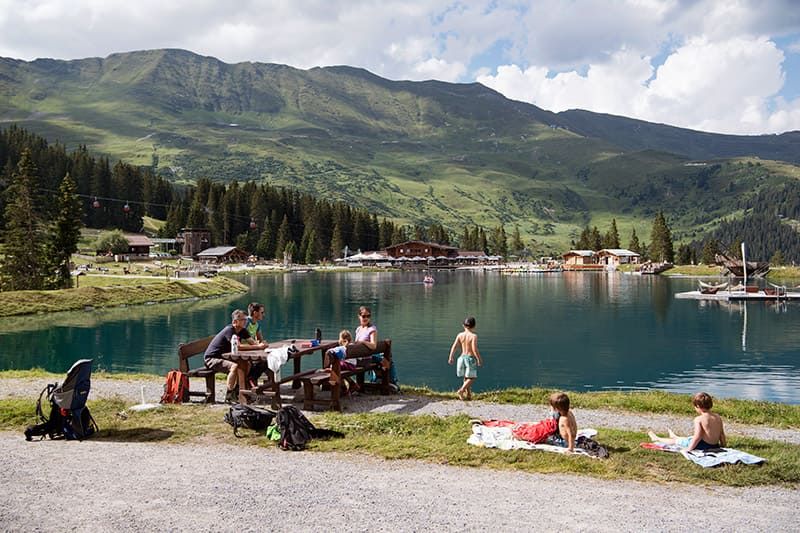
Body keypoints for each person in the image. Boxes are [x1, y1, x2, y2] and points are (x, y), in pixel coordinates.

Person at [204, 309, 267, 403]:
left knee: (247, 365)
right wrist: (258, 346)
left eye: (245, 319)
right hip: (212, 358)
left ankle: (238, 391)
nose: (245, 322)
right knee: (235, 366)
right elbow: (238, 347)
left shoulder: (242, 331)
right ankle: (229, 394)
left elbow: (252, 343)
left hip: (225, 357)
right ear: (235, 321)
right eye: (242, 320)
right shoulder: (229, 330)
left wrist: (260, 345)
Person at [648, 392, 727, 451]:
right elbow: (721, 434)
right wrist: (724, 446)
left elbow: (697, 437)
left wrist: (689, 449)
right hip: (714, 445)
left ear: (698, 406)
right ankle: (675, 436)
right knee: (688, 439)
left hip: (703, 446)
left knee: (676, 441)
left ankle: (657, 438)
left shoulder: (698, 419)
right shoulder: (717, 417)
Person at [447, 316, 482, 400]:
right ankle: (461, 390)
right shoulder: (473, 336)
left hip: (461, 358)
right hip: (469, 358)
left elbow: (454, 346)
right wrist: (478, 359)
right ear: (474, 326)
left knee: (466, 377)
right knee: (472, 377)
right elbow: (474, 349)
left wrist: (451, 356)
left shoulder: (460, 335)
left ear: (463, 325)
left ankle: (469, 394)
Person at [245, 302, 269, 387]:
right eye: (262, 312)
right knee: (263, 362)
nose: (264, 314)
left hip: (250, 351)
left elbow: (260, 339)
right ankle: (249, 381)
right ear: (255, 313)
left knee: (267, 361)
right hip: (242, 351)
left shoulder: (257, 324)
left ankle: (251, 379)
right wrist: (258, 344)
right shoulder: (246, 322)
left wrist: (263, 343)